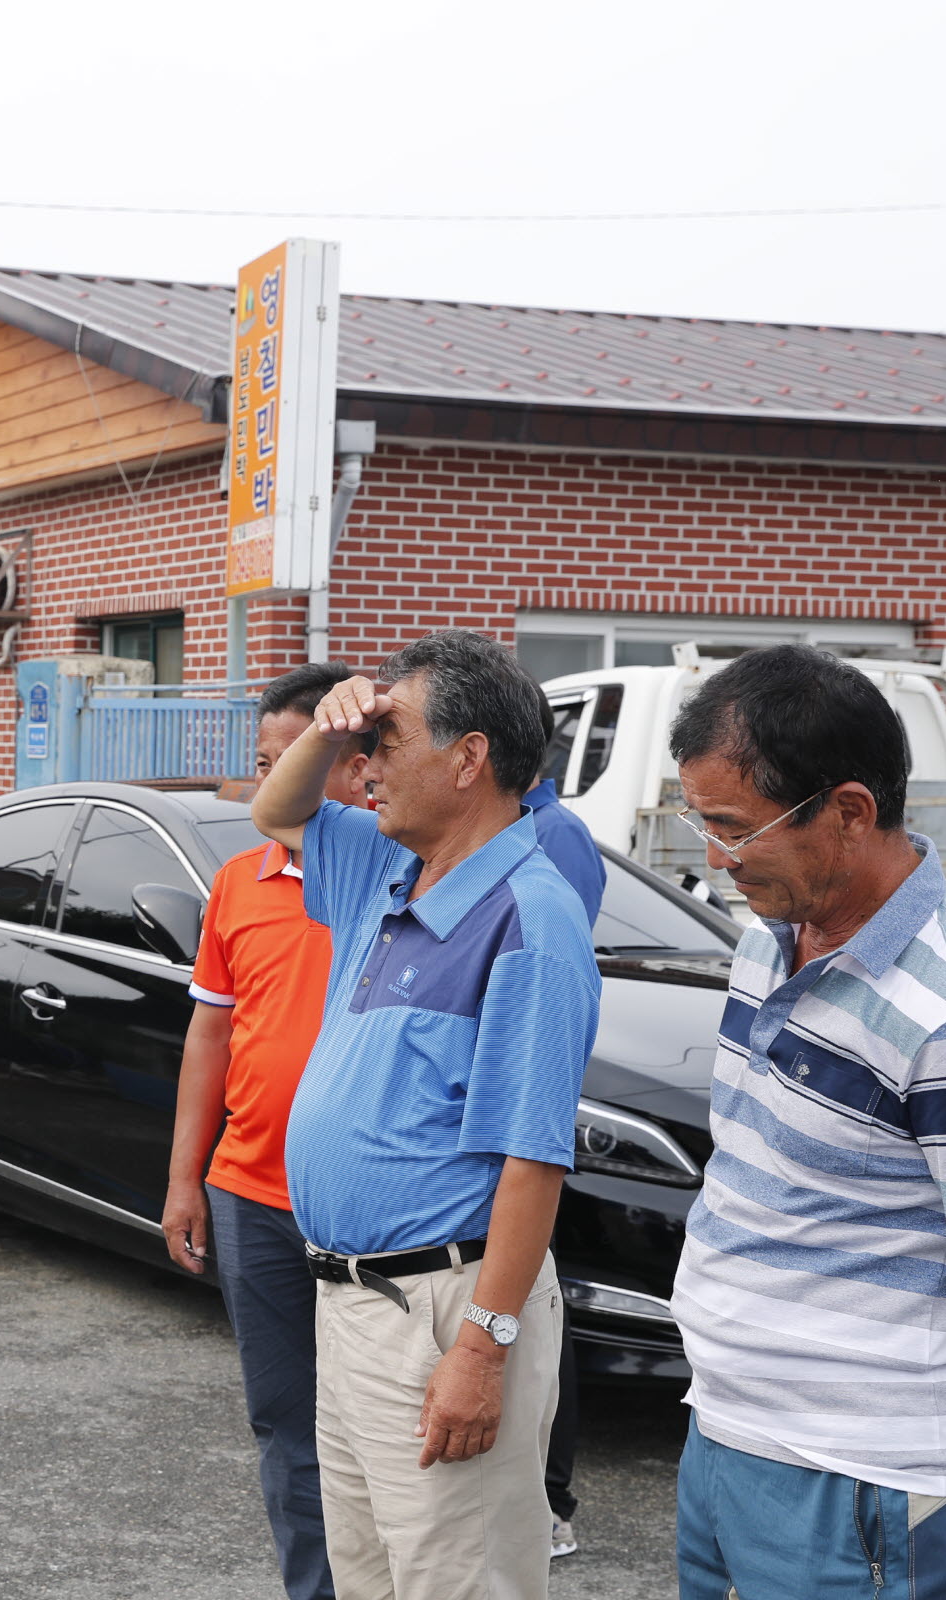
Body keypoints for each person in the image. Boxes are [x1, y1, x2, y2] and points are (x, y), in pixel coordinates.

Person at [665, 645, 946, 1600]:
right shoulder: (766, 944)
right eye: (702, 821)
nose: (714, 855)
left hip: (865, 1483)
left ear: (850, 811)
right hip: (728, 1434)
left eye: (733, 827)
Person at [252, 629, 600, 1600]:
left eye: (387, 742)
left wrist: (481, 1352)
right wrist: (328, 730)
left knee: (458, 1579)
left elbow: (534, 1162)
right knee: (370, 1576)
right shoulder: (387, 868)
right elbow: (273, 811)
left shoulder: (528, 914)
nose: (364, 768)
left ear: (470, 756)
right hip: (356, 1302)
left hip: (443, 1311)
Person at [162, 663, 373, 1600]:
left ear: (357, 771)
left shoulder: (395, 876)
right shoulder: (239, 884)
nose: (269, 783)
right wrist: (185, 1180)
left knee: (379, 1425)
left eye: (295, 759)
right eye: (262, 762)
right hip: (251, 1195)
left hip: (371, 1208)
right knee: (286, 1424)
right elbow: (210, 1034)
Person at [522, 766, 605, 1561]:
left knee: (541, 1309)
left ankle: (551, 1498)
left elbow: (553, 968)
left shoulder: (556, 836)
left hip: (527, 1111)